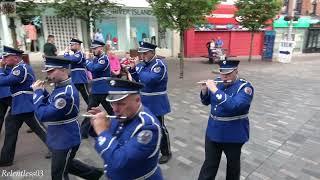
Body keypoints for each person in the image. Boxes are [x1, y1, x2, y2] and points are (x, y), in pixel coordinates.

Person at [32, 56, 103, 180]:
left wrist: (37, 93)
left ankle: (94, 174)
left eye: (51, 71)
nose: (48, 75)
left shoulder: (66, 93)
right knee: (66, 164)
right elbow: (51, 101)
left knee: (59, 172)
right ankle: (94, 174)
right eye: (47, 71)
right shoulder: (60, 86)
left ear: (64, 70)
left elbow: (43, 115)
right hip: (59, 136)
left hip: (65, 138)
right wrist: (43, 92)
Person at [88, 78, 163, 180]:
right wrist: (100, 125)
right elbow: (112, 140)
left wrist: (102, 131)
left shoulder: (148, 128)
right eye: (112, 103)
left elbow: (118, 161)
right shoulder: (123, 113)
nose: (115, 109)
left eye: (121, 103)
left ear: (137, 100)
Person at [198, 60, 254, 180]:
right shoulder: (219, 82)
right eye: (222, 74)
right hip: (213, 132)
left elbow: (234, 106)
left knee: (233, 168)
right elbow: (206, 102)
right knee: (209, 165)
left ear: (236, 71)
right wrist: (204, 90)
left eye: (228, 74)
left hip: (233, 134)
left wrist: (214, 90)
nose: (224, 77)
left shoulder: (245, 88)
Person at [0, 46, 47, 167]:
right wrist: (3, 67)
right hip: (19, 105)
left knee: (39, 129)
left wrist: (0, 68)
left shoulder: (21, 68)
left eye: (6, 56)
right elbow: (7, 75)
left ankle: (58, 149)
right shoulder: (16, 68)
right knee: (10, 128)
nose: (3, 58)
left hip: (25, 104)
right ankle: (5, 159)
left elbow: (4, 81)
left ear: (15, 58)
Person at [129, 41, 172, 164]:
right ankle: (147, 148)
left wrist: (137, 68)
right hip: (144, 101)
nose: (142, 56)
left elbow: (150, 80)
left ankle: (166, 152)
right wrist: (132, 70)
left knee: (160, 127)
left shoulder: (159, 64)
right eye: (141, 53)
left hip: (157, 102)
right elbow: (137, 80)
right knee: (143, 125)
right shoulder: (143, 65)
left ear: (152, 53)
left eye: (145, 53)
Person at [81, 40, 113, 139]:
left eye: (95, 48)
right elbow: (90, 67)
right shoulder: (96, 59)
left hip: (103, 90)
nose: (93, 50)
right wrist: (88, 62)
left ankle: (120, 128)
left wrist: (86, 60)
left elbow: (94, 68)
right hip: (96, 90)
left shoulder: (104, 59)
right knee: (90, 110)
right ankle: (83, 132)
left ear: (101, 48)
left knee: (112, 111)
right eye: (92, 48)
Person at [64, 38, 89, 105]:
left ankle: (93, 109)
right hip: (74, 79)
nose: (70, 46)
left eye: (72, 44)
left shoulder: (79, 54)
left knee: (86, 96)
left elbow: (68, 59)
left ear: (78, 45)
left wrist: (66, 53)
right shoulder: (74, 55)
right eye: (70, 44)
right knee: (71, 95)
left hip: (80, 79)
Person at [0, 55, 11, 135]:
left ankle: (35, 126)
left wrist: (2, 66)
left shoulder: (3, 59)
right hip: (3, 94)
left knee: (24, 113)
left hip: (8, 93)